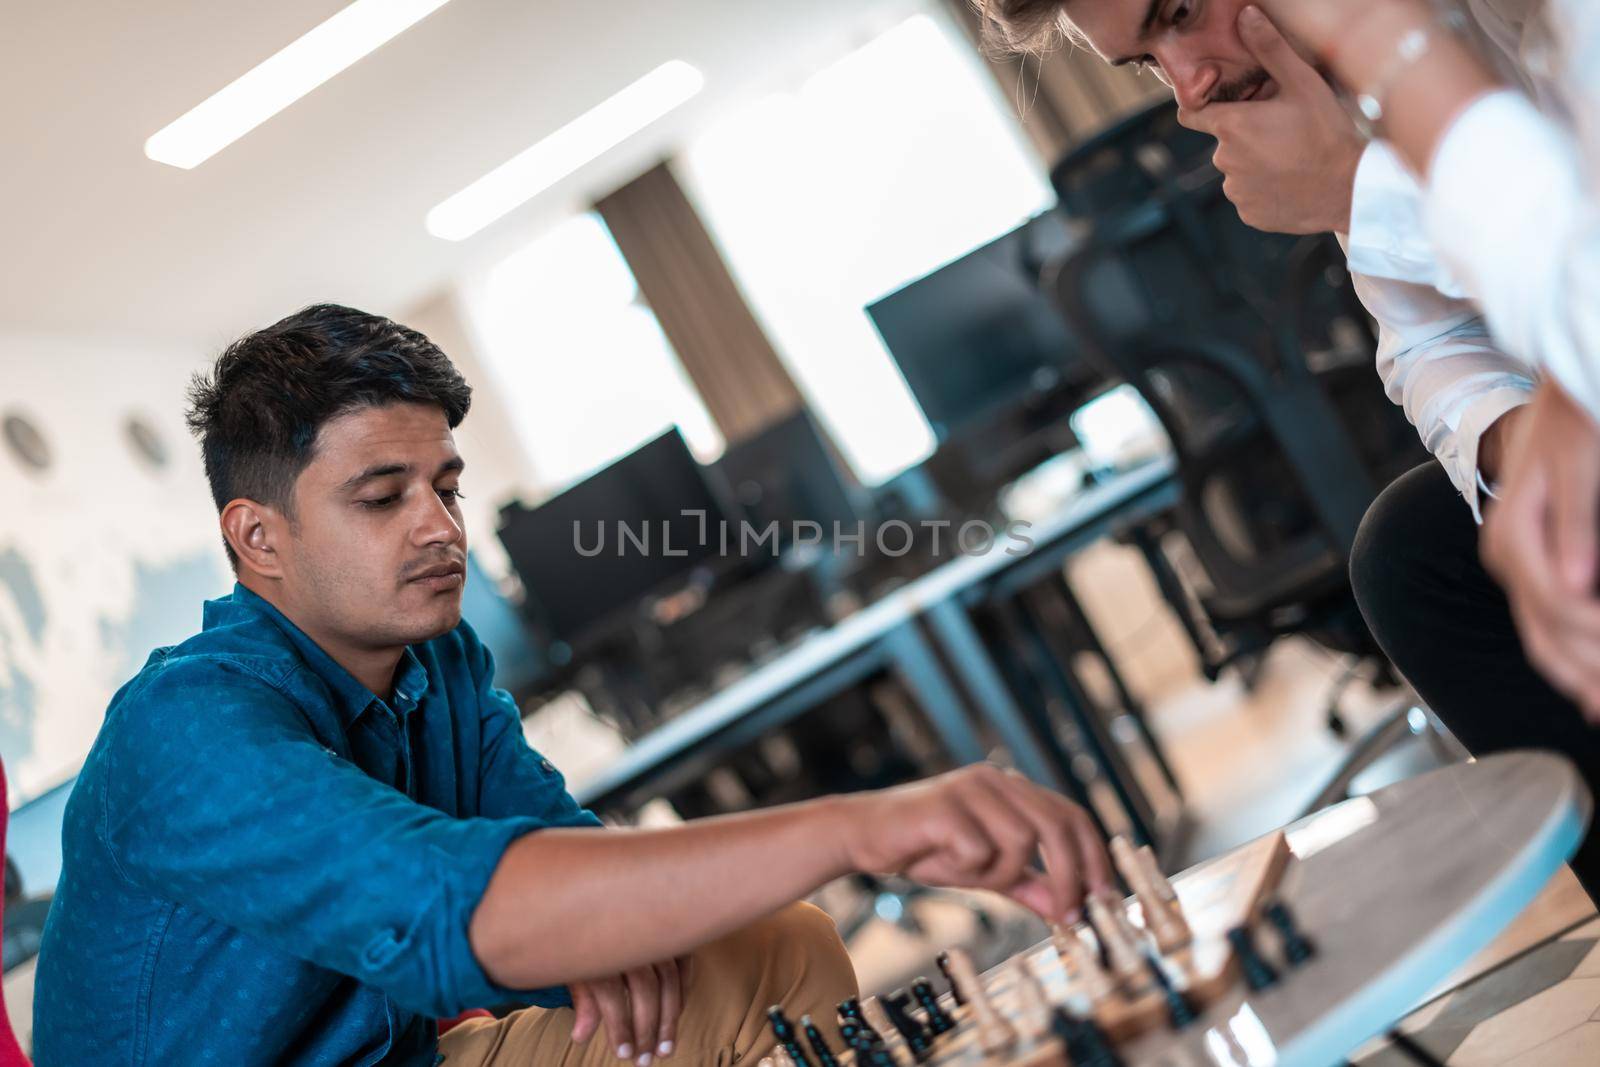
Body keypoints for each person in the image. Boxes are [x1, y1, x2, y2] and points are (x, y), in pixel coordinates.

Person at [32, 304, 1112, 1066]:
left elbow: (565, 852)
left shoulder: (437, 662)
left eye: (445, 486)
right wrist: (856, 827)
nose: (440, 526)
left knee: (776, 948)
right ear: (257, 537)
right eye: (381, 495)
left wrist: (590, 934)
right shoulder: (185, 734)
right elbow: (455, 909)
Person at [971, 0, 1600, 901]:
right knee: (1411, 551)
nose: (1189, 92)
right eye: (1146, 62)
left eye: (1181, 12)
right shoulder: (1347, 97)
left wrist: (1362, 189)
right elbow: (1422, 348)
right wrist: (1514, 441)